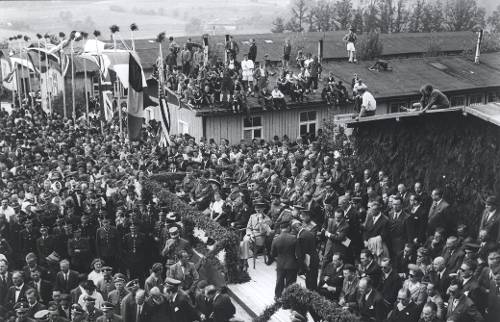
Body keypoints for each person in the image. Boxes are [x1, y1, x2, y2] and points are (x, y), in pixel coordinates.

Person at [271, 221, 298, 299]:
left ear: (280, 228)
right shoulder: (294, 238)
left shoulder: (275, 239)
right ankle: (289, 300)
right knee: (290, 284)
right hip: (292, 265)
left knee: (279, 282)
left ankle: (277, 297)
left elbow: (273, 254)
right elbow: (298, 254)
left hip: (280, 264)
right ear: (289, 228)